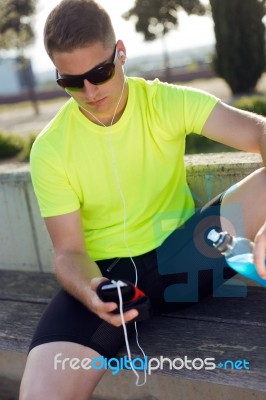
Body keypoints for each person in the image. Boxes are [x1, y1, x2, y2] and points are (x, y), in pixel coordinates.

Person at [19, 0, 266, 398]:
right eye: (71, 81)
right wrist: (91, 291)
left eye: (100, 72)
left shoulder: (164, 102)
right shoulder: (50, 149)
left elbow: (259, 132)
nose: (90, 91)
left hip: (186, 255)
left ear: (120, 53)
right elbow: (68, 253)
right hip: (111, 282)